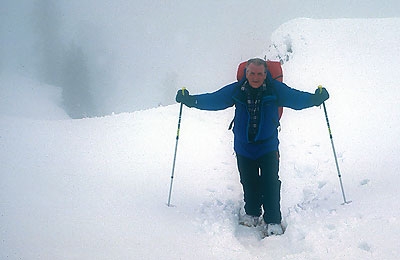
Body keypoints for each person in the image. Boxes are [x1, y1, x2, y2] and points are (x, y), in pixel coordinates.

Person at [175, 58, 329, 236]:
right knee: (249, 181)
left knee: (270, 182)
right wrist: (191, 100)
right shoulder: (237, 90)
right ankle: (252, 212)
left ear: (266, 74)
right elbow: (215, 99)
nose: (256, 77)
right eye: (252, 73)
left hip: (268, 146)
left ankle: (273, 220)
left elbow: (296, 98)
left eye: (260, 74)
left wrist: (315, 99)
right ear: (246, 74)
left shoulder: (275, 89)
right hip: (244, 146)